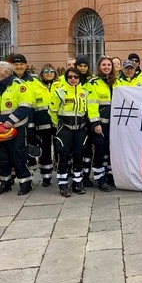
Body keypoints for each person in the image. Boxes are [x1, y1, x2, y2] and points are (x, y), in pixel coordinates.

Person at [0, 61, 33, 196]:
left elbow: (25, 106)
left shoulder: (19, 85)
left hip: (16, 128)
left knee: (18, 155)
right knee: (2, 157)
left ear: (5, 72)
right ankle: (5, 183)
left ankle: (25, 183)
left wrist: (10, 121)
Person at [49, 67, 91, 197]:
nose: (73, 79)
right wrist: (58, 126)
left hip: (80, 129)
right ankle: (63, 184)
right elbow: (52, 111)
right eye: (70, 77)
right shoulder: (59, 92)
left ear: (79, 78)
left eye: (76, 77)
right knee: (64, 155)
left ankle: (78, 183)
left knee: (79, 155)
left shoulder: (85, 92)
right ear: (66, 78)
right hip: (65, 129)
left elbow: (88, 110)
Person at [85, 56, 122, 191]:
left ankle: (109, 176)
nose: (107, 67)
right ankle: (99, 178)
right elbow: (91, 105)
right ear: (99, 67)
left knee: (110, 150)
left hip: (115, 125)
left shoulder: (117, 82)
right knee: (99, 150)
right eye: (104, 65)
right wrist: (95, 123)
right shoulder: (93, 83)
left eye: (109, 65)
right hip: (101, 125)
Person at [33, 64, 58, 187]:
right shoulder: (35, 87)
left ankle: (61, 173)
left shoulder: (60, 86)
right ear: (41, 73)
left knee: (59, 149)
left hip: (57, 124)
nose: (49, 73)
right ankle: (46, 176)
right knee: (45, 151)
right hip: (42, 124)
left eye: (51, 71)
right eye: (46, 71)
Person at [74, 55, 94, 187]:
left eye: (84, 66)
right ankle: (76, 175)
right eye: (80, 65)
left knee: (88, 150)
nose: (82, 68)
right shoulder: (71, 80)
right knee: (76, 149)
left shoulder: (92, 81)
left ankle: (86, 175)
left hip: (89, 119)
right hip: (75, 121)